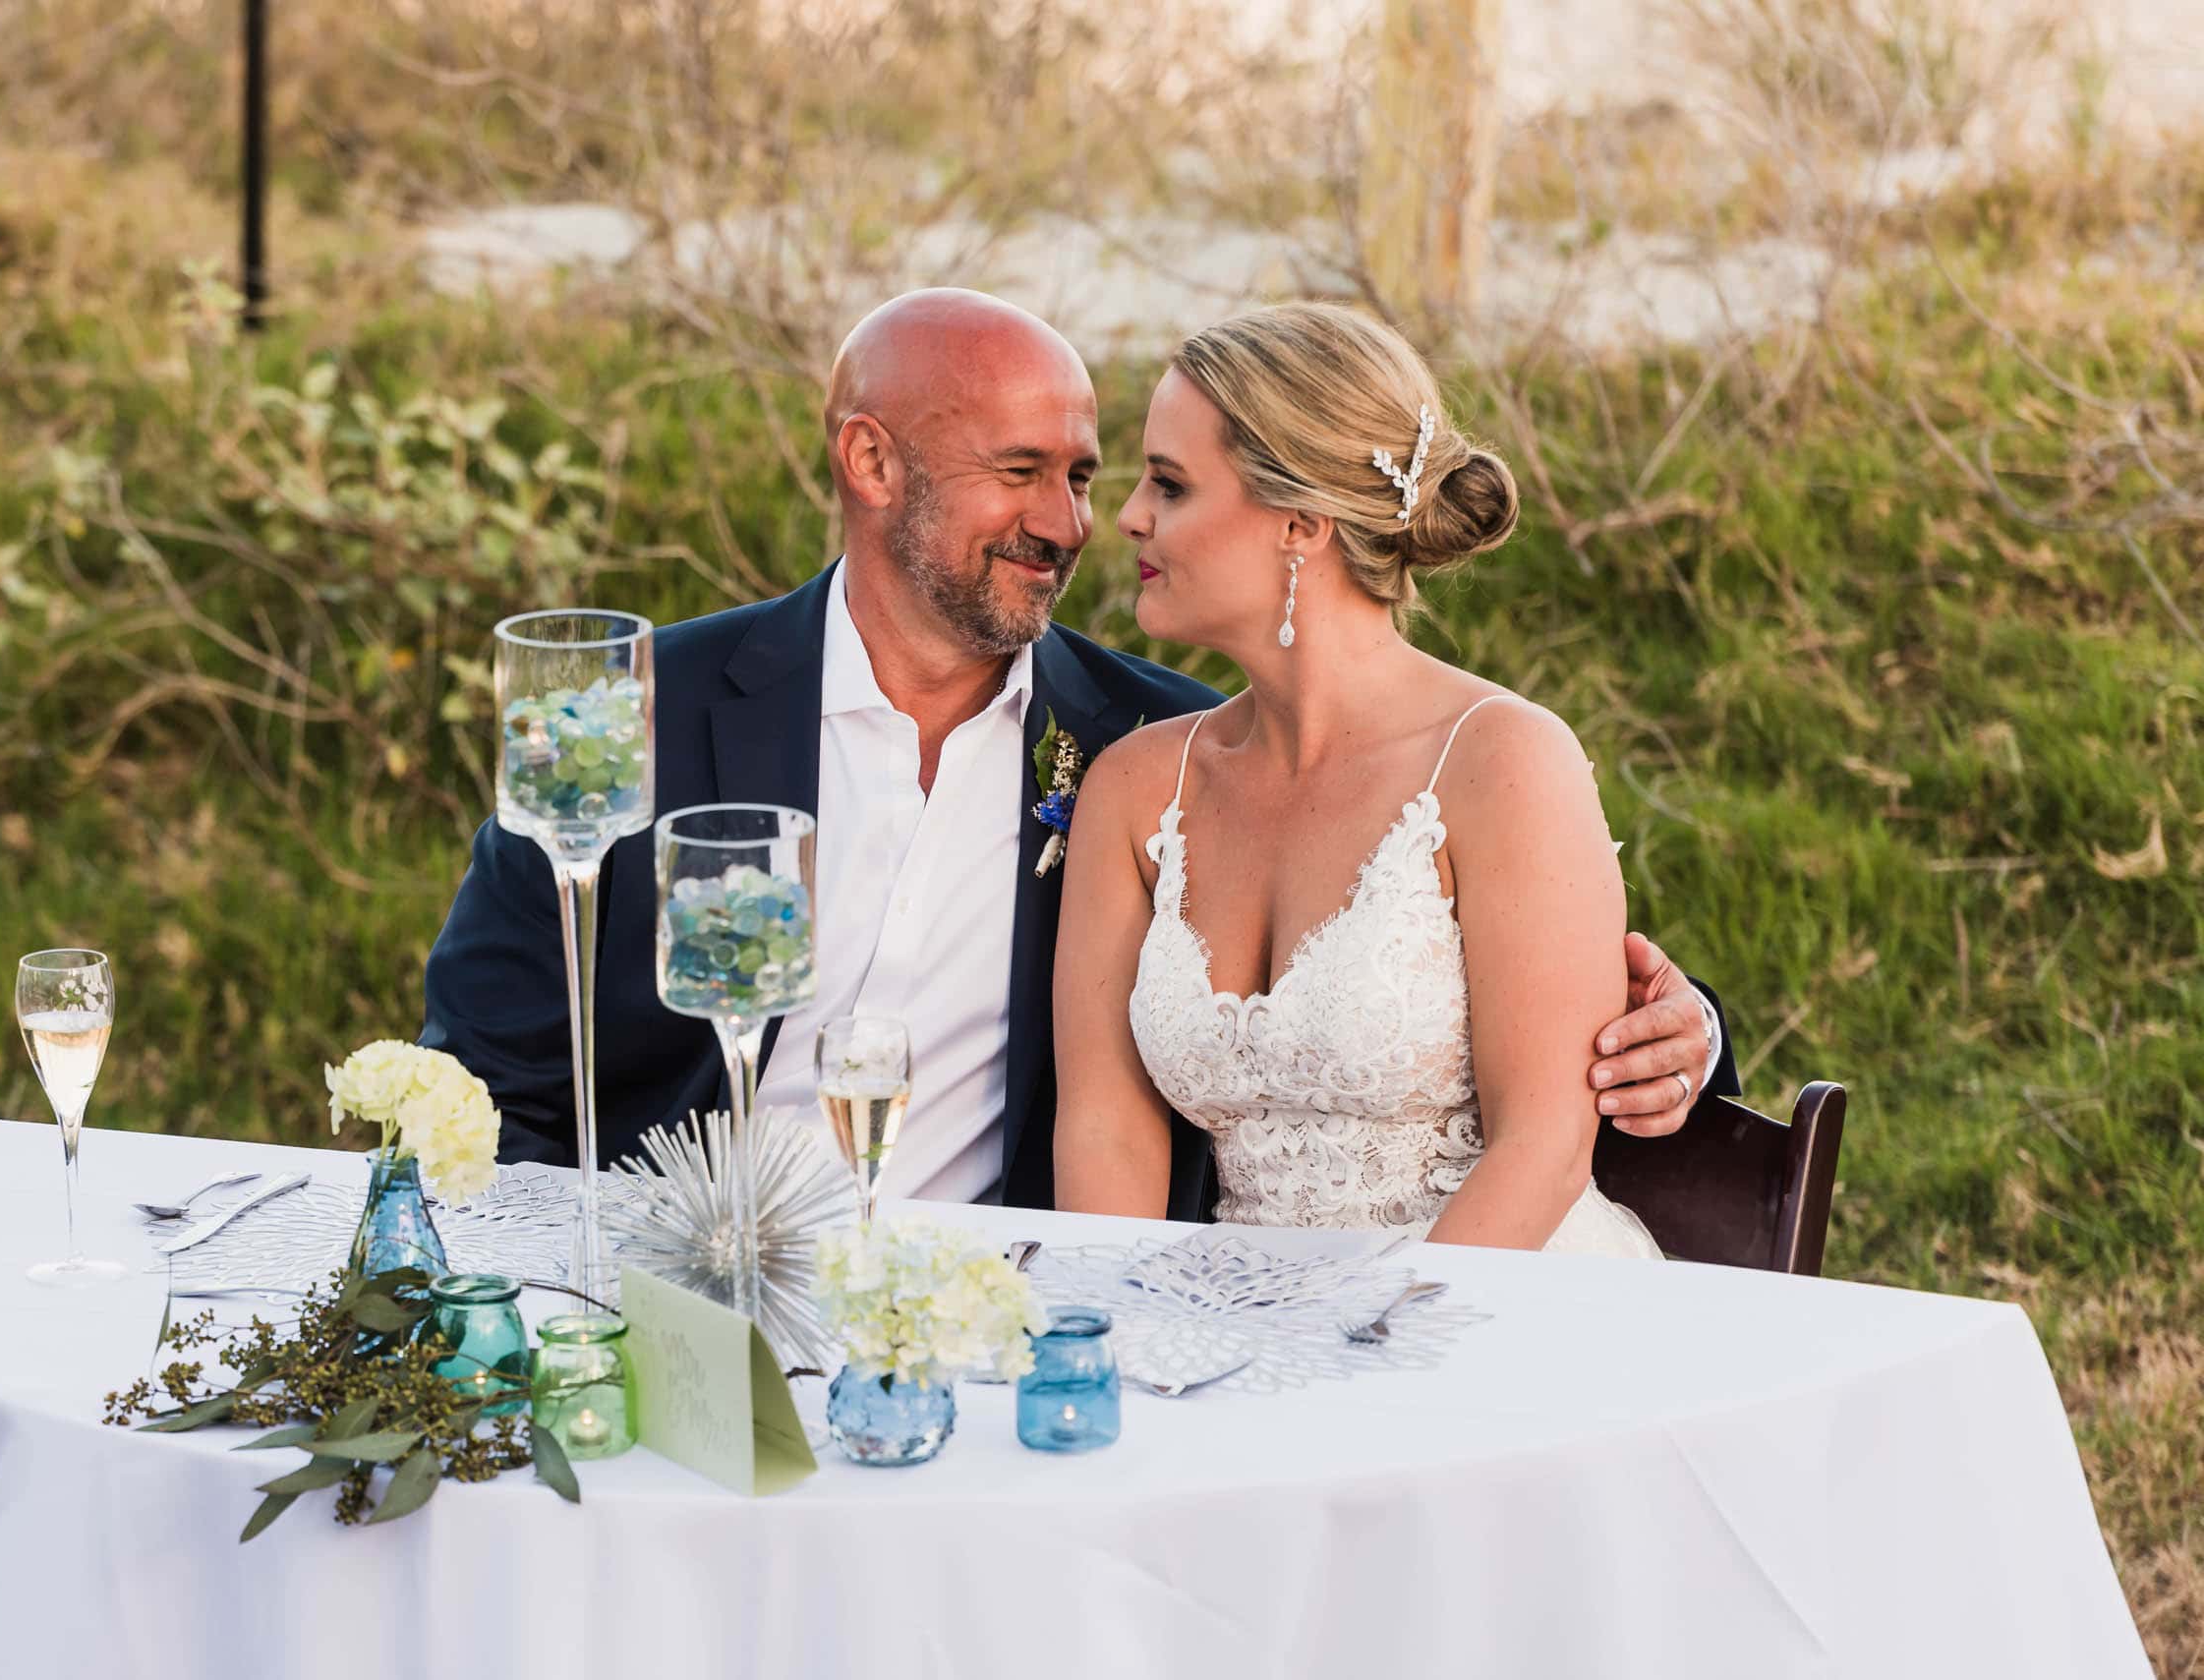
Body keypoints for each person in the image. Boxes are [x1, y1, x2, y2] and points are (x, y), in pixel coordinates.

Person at [422, 289, 1734, 1220]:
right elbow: (488, 1066)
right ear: (872, 463)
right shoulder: (646, 708)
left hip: (992, 1333)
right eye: (1019, 472)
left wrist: (1690, 1032)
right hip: (671, 1306)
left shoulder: (1120, 744)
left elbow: (1518, 977)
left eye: (1100, 477)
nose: (1074, 523)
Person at [1052, 301, 1708, 1250]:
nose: (1129, 516)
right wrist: (1114, 1353)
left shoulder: (1503, 760)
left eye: (1170, 484)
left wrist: (1363, 1355)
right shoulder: (1134, 787)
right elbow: (1104, 1128)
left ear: (1300, 523)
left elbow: (1545, 1145)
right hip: (1240, 1320)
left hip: (1488, 1308)